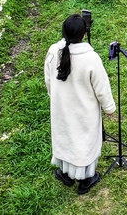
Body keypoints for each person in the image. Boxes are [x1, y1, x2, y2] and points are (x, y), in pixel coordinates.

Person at [45, 14, 116, 194]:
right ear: (84, 35)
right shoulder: (91, 58)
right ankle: (85, 179)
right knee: (83, 142)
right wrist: (109, 109)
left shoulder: (54, 51)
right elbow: (102, 88)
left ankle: (66, 174)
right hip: (84, 111)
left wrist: (54, 97)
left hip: (61, 108)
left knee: (65, 138)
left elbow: (48, 79)